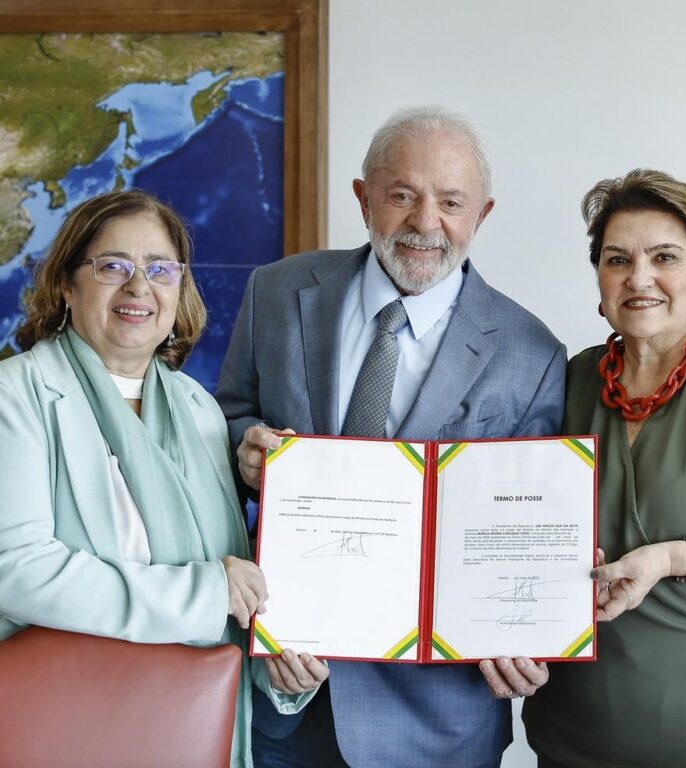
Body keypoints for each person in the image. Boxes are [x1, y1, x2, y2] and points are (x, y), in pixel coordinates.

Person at [216, 107, 567, 767]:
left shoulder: (534, 354)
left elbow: (527, 534)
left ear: (483, 214)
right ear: (363, 198)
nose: (425, 222)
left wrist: (524, 633)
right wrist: (243, 452)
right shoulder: (276, 292)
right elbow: (225, 421)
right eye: (402, 195)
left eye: (451, 202)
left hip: (435, 724)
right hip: (282, 690)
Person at [0, 190, 327, 768]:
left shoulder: (199, 408)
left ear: (179, 289)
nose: (138, 287)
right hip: (66, 727)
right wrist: (205, 593)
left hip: (192, 730)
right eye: (112, 266)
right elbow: (17, 572)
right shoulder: (15, 395)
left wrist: (277, 664)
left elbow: (232, 578)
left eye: (159, 269)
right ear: (67, 284)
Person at [522, 169, 686, 768]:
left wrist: (672, 558)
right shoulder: (566, 381)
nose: (638, 278)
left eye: (665, 257)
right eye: (617, 260)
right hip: (568, 739)